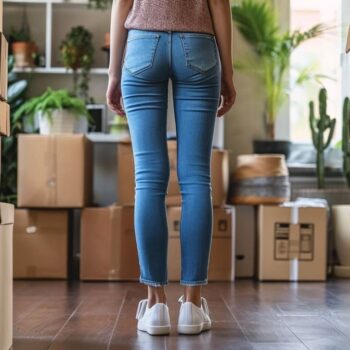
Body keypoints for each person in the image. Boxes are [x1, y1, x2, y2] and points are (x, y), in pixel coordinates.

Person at [106, 0, 236, 336]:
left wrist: (113, 73)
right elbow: (219, 3)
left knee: (148, 179)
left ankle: (155, 306)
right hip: (198, 46)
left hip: (141, 45)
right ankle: (192, 306)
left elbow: (122, 3)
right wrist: (229, 73)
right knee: (196, 179)